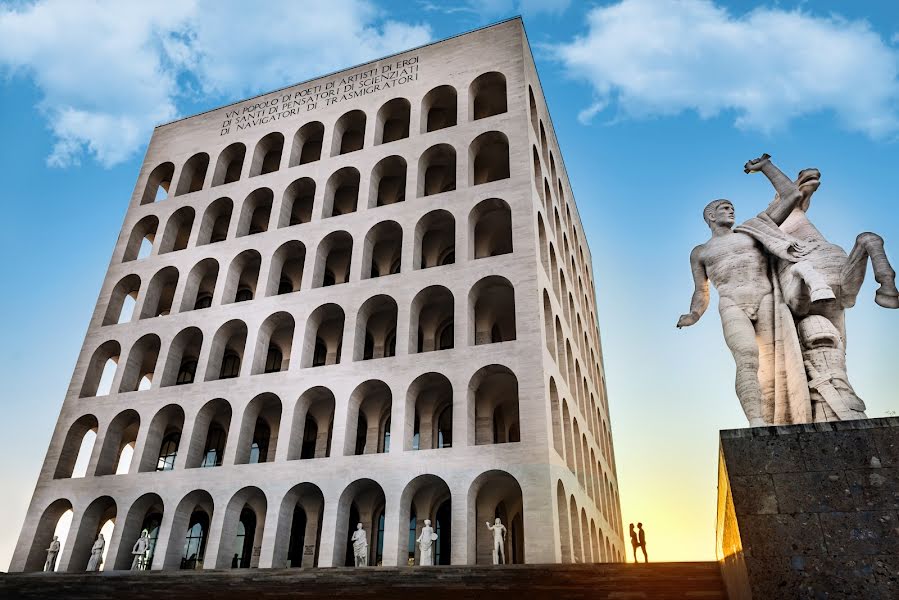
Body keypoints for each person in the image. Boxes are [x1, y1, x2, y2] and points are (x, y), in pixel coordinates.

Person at [677, 154, 835, 425]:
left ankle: (788, 414)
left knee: (779, 363)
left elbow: (791, 196)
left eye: (732, 208)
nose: (731, 211)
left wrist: (765, 167)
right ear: (711, 216)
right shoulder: (700, 252)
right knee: (747, 358)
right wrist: (694, 314)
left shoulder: (751, 231)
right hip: (731, 303)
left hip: (765, 298)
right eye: (725, 208)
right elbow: (701, 290)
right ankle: (757, 420)